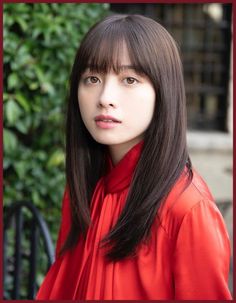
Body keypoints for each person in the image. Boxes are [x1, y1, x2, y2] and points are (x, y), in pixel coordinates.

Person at [36, 14, 232, 300]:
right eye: (92, 78)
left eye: (129, 79)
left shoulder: (188, 210)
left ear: (163, 93)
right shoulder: (85, 189)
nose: (105, 96)